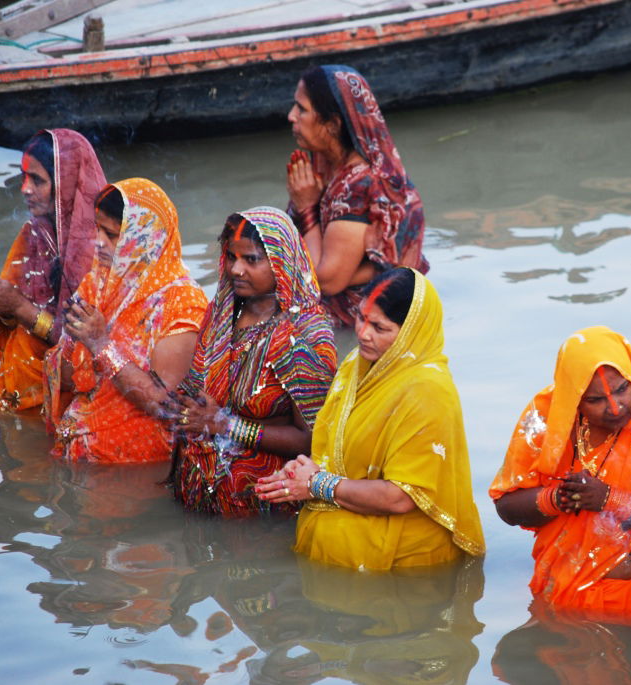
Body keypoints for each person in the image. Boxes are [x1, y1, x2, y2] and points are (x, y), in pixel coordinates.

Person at [254, 267, 485, 570]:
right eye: (361, 318)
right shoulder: (359, 364)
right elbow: (335, 450)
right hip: (343, 550)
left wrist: (317, 483)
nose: (363, 333)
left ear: (413, 331)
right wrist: (300, 473)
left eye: (379, 326)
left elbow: (401, 497)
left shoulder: (428, 391)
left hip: (403, 571)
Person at [490, 326, 631, 621]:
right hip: (556, 593)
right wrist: (557, 499)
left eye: (623, 389)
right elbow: (507, 507)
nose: (614, 407)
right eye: (595, 400)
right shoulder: (549, 416)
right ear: (574, 399)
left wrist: (608, 499)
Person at [167, 207, 338, 517]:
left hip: (261, 507)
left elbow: (312, 440)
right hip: (199, 492)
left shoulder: (304, 336)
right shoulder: (222, 314)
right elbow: (195, 395)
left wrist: (224, 425)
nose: (236, 269)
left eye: (252, 259)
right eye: (231, 257)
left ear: (282, 262)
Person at [43, 178, 208, 462]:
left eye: (111, 234)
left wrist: (101, 344)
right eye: (97, 229)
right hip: (82, 450)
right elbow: (73, 378)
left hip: (136, 466)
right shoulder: (100, 283)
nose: (98, 243)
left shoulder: (183, 304)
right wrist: (73, 343)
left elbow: (166, 406)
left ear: (145, 236)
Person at [0, 129, 106, 413]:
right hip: (22, 391)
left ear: (66, 183)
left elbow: (86, 348)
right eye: (24, 177)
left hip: (75, 404)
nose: (25, 189)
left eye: (37, 180)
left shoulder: (100, 249)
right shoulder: (32, 235)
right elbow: (9, 321)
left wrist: (19, 306)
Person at [286, 64, 428, 327]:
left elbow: (326, 281)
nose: (291, 116)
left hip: (364, 329)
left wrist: (306, 208)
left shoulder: (360, 184)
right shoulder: (324, 166)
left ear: (332, 124)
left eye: (302, 109)